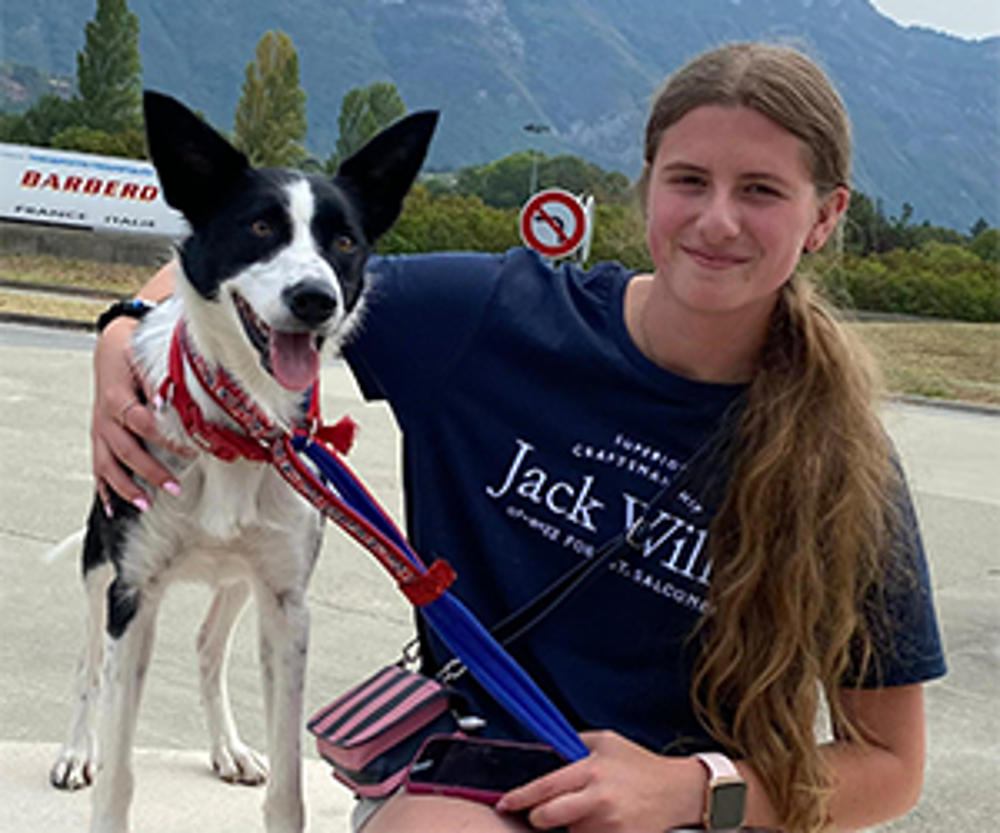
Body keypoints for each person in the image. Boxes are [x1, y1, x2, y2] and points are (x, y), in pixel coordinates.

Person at [91, 42, 945, 833]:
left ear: (826, 216)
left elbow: (890, 764)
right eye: (689, 180)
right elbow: (236, 267)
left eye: (760, 189)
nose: (717, 220)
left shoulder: (844, 461)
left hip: (698, 804)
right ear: (647, 186)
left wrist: (689, 787)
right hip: (479, 780)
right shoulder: (493, 318)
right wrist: (121, 336)